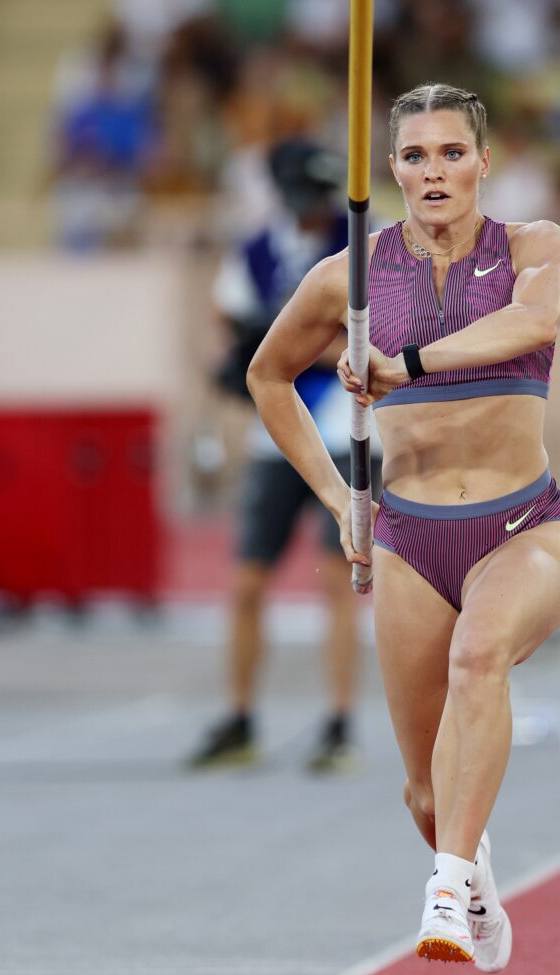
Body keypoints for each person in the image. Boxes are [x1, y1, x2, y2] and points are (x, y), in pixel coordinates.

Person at [245, 84, 560, 969]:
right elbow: (266, 377)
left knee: (480, 658)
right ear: (390, 168)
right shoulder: (346, 278)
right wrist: (333, 497)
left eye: (450, 153)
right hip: (407, 538)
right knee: (424, 794)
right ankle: (468, 868)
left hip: (523, 526)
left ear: (482, 160)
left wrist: (409, 363)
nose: (433, 171)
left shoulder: (533, 248)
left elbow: (532, 321)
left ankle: (442, 891)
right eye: (414, 156)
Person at [188, 138, 381, 774]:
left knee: (339, 580)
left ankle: (339, 723)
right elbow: (228, 323)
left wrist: (288, 345)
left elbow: (372, 340)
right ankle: (241, 717)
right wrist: (245, 354)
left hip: (348, 429)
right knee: (246, 580)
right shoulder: (258, 249)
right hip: (280, 437)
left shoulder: (365, 244)